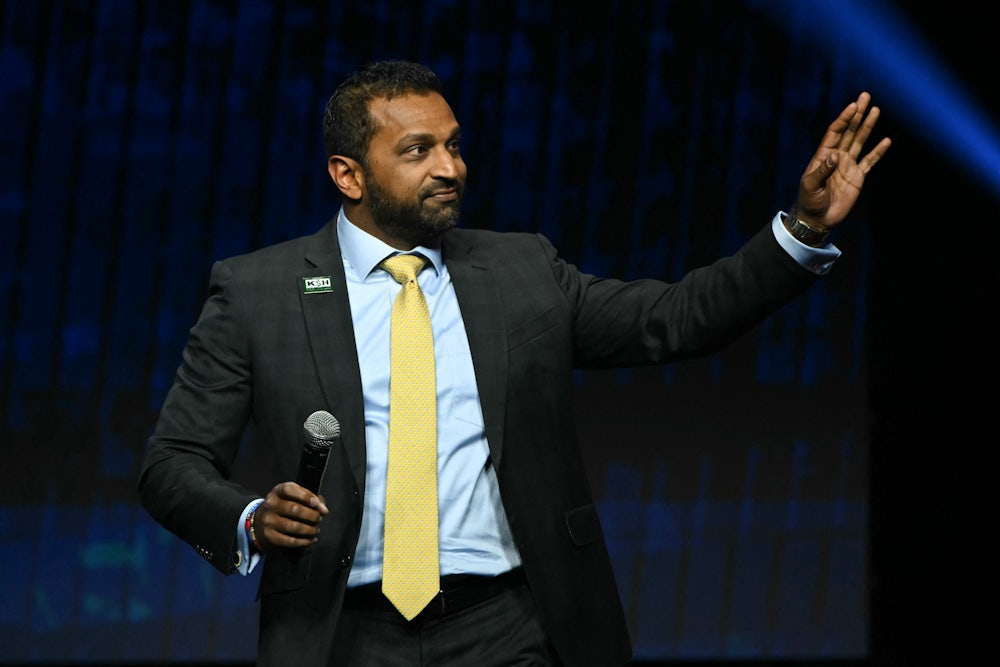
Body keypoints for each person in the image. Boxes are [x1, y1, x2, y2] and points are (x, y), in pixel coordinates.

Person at [138, 60, 890, 666]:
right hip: (342, 634)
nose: (450, 168)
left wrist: (801, 230)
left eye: (454, 144)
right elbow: (171, 464)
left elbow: (676, 319)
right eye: (417, 150)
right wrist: (250, 517)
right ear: (347, 175)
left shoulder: (522, 268)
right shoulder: (257, 289)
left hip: (512, 625)